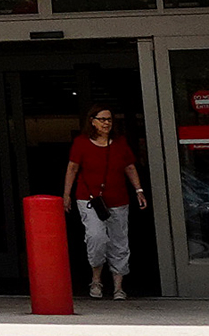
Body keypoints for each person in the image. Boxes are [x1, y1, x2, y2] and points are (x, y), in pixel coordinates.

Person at [60, 104, 146, 300]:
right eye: (102, 119)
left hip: (118, 199)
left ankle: (118, 286)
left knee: (119, 241)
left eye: (109, 119)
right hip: (89, 199)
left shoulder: (120, 143)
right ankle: (96, 279)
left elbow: (130, 168)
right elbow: (72, 168)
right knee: (96, 237)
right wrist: (66, 194)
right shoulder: (81, 143)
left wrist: (139, 190)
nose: (106, 123)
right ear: (92, 121)